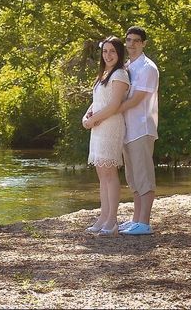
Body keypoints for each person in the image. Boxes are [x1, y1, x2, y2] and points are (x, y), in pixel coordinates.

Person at [82, 36, 130, 236]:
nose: (108, 55)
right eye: (105, 51)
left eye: (112, 51)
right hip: (98, 127)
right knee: (102, 174)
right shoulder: (104, 74)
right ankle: (103, 216)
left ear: (119, 54)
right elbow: (98, 101)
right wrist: (86, 116)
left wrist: (93, 120)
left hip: (110, 126)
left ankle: (112, 221)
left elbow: (114, 106)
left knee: (110, 173)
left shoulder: (120, 74)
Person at [116, 26, 159, 235]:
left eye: (136, 40)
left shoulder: (148, 68)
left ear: (143, 43)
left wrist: (110, 112)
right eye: (128, 40)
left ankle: (145, 223)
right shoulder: (127, 66)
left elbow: (136, 100)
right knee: (133, 177)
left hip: (142, 128)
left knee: (144, 176)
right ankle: (136, 219)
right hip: (128, 129)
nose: (131, 44)